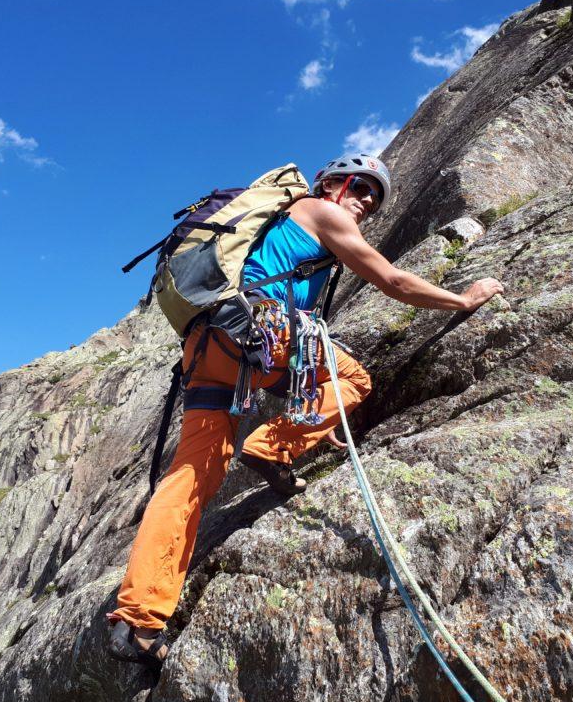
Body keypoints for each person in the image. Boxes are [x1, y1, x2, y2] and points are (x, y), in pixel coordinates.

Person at [106, 153, 505, 669]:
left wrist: (317, 411)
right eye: (359, 187)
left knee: (189, 477)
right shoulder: (322, 212)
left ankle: (136, 618)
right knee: (354, 378)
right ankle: (272, 446)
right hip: (263, 331)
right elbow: (391, 280)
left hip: (211, 343)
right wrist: (464, 299)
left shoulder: (279, 220)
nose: (365, 202)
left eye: (374, 197)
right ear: (331, 183)